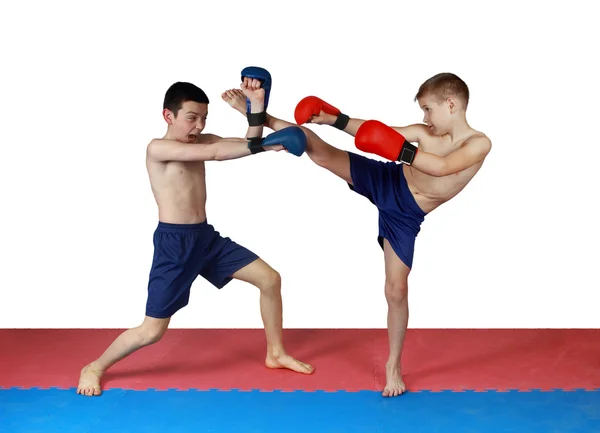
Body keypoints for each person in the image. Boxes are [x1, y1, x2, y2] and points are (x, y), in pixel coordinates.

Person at [223, 72, 492, 397]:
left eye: (427, 109)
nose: (424, 118)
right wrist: (335, 119)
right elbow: (376, 133)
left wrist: (400, 150)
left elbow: (441, 167)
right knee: (319, 151)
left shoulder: (478, 143)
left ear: (451, 104)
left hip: (405, 215)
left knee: (395, 290)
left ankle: (393, 365)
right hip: (387, 179)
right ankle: (262, 116)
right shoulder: (423, 132)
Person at [77, 70, 314, 397]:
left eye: (203, 118)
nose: (199, 126)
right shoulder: (158, 148)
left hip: (206, 239)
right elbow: (219, 153)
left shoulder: (201, 140)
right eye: (191, 118)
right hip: (174, 245)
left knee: (269, 279)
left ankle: (275, 352)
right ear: (168, 115)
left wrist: (256, 106)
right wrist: (268, 145)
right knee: (152, 331)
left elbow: (247, 143)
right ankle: (95, 367)